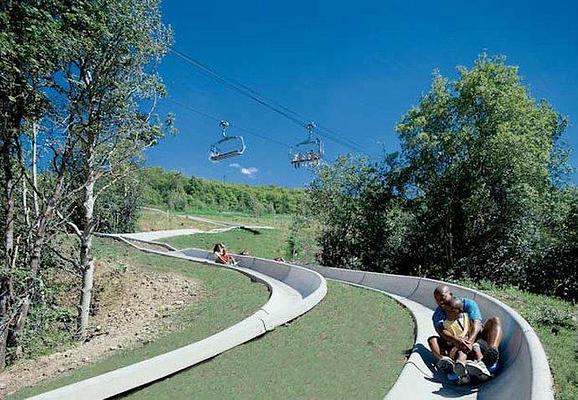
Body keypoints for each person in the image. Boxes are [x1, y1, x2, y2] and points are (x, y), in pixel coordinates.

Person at [428, 285, 502, 383]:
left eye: (442, 297)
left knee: (495, 321)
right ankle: (448, 363)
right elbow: (441, 331)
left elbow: (477, 323)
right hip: (456, 344)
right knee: (433, 340)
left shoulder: (467, 305)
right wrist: (457, 340)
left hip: (474, 339)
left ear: (450, 294)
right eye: (437, 300)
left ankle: (490, 355)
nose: (440, 302)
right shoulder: (439, 314)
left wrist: (470, 341)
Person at [440, 298, 491, 384]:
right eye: (447, 311)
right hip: (458, 347)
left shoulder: (467, 317)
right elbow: (449, 340)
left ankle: (482, 368)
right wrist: (460, 341)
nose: (448, 314)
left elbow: (477, 327)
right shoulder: (446, 324)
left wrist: (469, 341)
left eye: (451, 311)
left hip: (471, 343)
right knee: (461, 352)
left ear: (459, 311)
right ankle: (462, 372)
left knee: (476, 348)